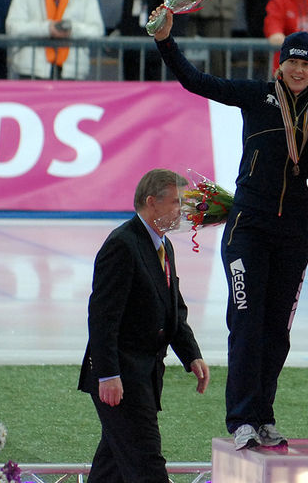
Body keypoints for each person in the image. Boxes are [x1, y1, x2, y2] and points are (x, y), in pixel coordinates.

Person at [151, 8, 308, 450]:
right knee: (246, 323)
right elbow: (197, 81)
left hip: (294, 231)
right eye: (293, 61)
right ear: (280, 63)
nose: (299, 69)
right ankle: (241, 420)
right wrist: (166, 41)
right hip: (248, 226)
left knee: (277, 332)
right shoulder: (256, 95)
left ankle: (263, 415)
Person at [78, 168, 210, 483]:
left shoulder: (163, 246)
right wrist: (108, 374)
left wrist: (191, 354)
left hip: (145, 374)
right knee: (147, 464)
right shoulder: (123, 244)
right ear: (152, 202)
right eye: (177, 202)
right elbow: (102, 316)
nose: (183, 210)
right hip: (122, 376)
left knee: (112, 467)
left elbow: (173, 307)